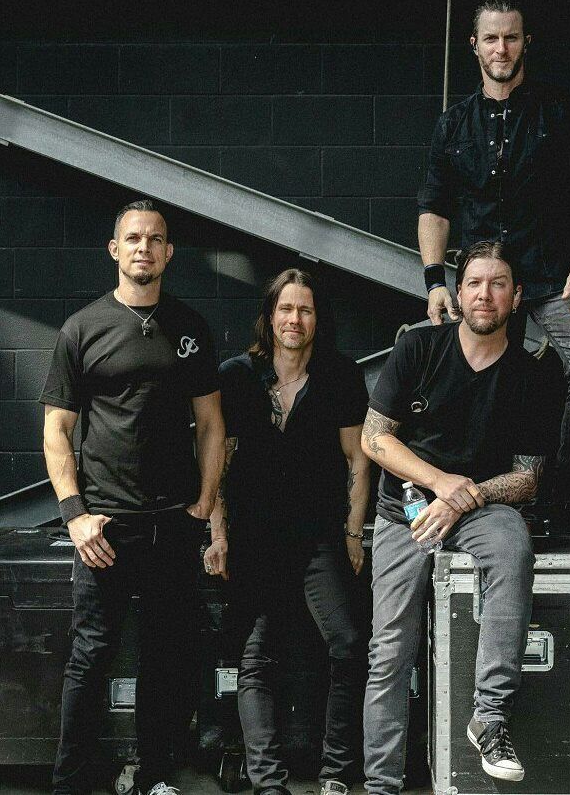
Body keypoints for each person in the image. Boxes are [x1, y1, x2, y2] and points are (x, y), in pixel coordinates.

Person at [417, 0, 570, 541]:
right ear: (474, 45)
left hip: (553, 271)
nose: (501, 48)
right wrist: (435, 280)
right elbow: (433, 207)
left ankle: (563, 495)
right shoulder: (452, 124)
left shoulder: (560, 110)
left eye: (511, 37)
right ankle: (485, 497)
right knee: (474, 384)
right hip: (485, 279)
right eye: (491, 38)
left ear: (525, 41)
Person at [41, 200, 225, 795]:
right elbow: (57, 432)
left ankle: (150, 776)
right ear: (115, 250)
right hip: (105, 530)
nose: (144, 248)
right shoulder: (81, 329)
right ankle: (71, 781)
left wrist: (203, 504)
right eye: (133, 239)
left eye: (155, 239)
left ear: (168, 253)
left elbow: (212, 425)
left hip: (171, 525)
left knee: (166, 659)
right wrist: (75, 516)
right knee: (90, 659)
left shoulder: (191, 328)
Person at [362, 241, 548, 790]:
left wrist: (465, 498)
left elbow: (528, 476)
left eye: (498, 284)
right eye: (474, 283)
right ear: (457, 293)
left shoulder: (534, 374)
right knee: (390, 649)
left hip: (481, 507)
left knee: (513, 548)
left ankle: (489, 719)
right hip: (407, 511)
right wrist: (441, 484)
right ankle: (381, 784)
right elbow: (375, 439)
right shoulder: (419, 348)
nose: (485, 294)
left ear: (515, 297)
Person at [204, 268, 371, 795]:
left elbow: (358, 462)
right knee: (254, 657)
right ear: (269, 316)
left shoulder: (340, 375)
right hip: (253, 537)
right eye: (285, 309)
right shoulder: (236, 374)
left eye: (305, 309)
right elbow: (217, 462)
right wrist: (219, 534)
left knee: (346, 645)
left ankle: (336, 776)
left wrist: (351, 534)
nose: (294, 319)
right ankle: (268, 784)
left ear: (317, 318)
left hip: (319, 536)